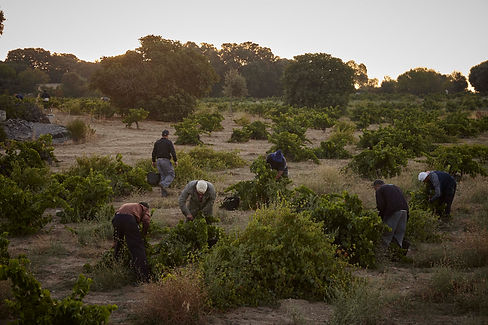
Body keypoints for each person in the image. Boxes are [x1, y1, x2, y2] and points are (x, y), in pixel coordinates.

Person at [112, 202, 151, 282]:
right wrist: (143, 236)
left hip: (117, 219)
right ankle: (143, 277)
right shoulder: (144, 209)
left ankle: (115, 267)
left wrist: (115, 239)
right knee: (137, 249)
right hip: (128, 220)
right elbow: (146, 222)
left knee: (118, 245)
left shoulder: (128, 205)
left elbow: (116, 217)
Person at [373, 179, 409, 252]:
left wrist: (381, 218)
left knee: (386, 235)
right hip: (405, 211)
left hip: (393, 212)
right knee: (399, 236)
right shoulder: (395, 187)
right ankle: (398, 254)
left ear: (376, 186)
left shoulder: (380, 190)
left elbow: (381, 206)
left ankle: (382, 255)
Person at [152, 129, 178, 197]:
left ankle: (164, 195)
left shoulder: (157, 142)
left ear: (162, 135)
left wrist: (153, 161)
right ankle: (163, 184)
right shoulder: (169, 142)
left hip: (158, 161)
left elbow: (153, 152)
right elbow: (173, 152)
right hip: (165, 160)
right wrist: (175, 160)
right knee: (171, 174)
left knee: (163, 176)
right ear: (168, 135)